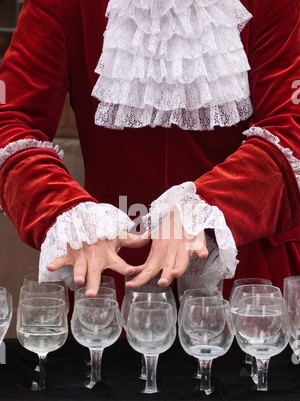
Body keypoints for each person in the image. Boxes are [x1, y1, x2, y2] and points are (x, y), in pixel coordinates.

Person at [0, 0, 300, 304]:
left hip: (246, 280)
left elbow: (292, 127)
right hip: (110, 276)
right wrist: (64, 211)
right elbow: (9, 122)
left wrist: (206, 209)